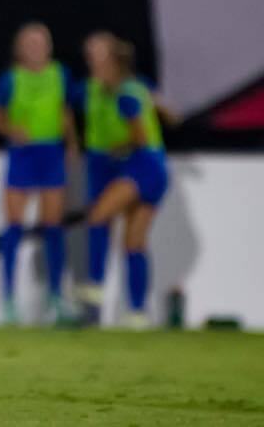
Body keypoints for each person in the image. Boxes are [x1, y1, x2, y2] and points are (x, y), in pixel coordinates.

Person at [0, 22, 76, 325]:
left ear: (49, 46)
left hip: (50, 154)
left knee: (53, 226)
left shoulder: (59, 75)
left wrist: (73, 144)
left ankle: (55, 298)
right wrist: (10, 129)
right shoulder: (11, 79)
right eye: (30, 42)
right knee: (14, 225)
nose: (36, 47)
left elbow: (65, 111)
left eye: (41, 42)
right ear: (20, 49)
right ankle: (9, 301)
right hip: (23, 155)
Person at [77, 35, 169, 328]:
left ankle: (95, 287)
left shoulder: (125, 93)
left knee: (98, 216)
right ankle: (138, 313)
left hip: (144, 166)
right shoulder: (126, 88)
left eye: (101, 61)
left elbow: (139, 138)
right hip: (155, 169)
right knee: (134, 243)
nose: (95, 66)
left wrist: (118, 147)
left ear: (115, 64)